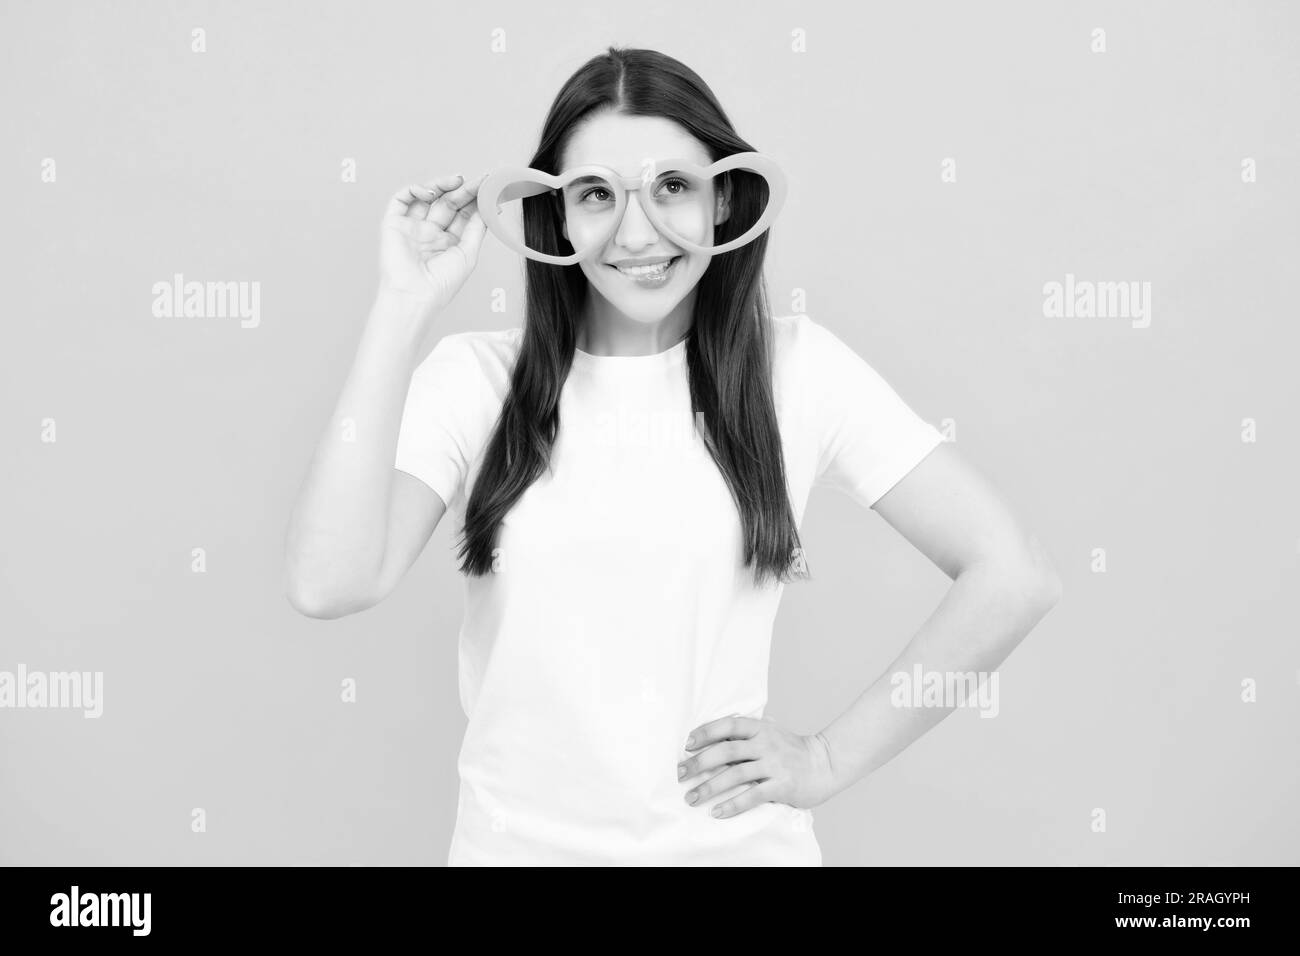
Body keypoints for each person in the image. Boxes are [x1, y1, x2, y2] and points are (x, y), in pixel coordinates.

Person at [283, 46, 1062, 866]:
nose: (636, 232)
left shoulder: (795, 370)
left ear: (723, 199)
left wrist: (829, 758)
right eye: (596, 196)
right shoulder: (476, 381)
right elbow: (327, 582)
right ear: (556, 214)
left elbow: (1013, 574)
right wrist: (400, 308)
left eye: (672, 188)